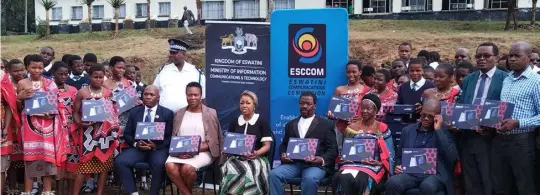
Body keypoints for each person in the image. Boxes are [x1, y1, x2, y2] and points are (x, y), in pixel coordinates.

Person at [458, 42, 506, 195]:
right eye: (478, 56)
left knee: (489, 180)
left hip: (491, 137)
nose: (482, 59)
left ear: (496, 58)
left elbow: (507, 106)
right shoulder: (469, 79)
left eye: (487, 56)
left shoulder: (505, 78)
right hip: (467, 135)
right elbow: (463, 103)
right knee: (471, 180)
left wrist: (493, 125)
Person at [16, 54, 68, 195]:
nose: (37, 70)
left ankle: (47, 191)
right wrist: (20, 98)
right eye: (33, 67)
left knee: (47, 159)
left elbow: (55, 106)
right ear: (27, 67)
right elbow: (18, 109)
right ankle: (27, 191)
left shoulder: (50, 83)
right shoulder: (22, 84)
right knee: (30, 159)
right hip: (29, 128)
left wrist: (48, 114)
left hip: (47, 127)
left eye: (40, 67)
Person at [269, 91, 338, 195]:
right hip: (294, 164)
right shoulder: (290, 125)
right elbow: (284, 145)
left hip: (315, 166)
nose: (304, 106)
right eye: (302, 103)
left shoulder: (326, 124)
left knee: (310, 179)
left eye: (308, 104)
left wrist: (321, 159)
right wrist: (283, 154)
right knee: (273, 174)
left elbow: (333, 149)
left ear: (315, 106)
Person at [385, 99, 458, 195]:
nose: (426, 118)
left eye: (430, 116)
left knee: (427, 186)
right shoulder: (407, 131)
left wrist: (438, 130)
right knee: (392, 182)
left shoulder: (444, 131)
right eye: (424, 115)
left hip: (435, 174)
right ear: (420, 112)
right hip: (411, 173)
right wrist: (398, 166)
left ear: (438, 116)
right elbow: (399, 156)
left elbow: (452, 157)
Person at [494, 41, 539, 195]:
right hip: (500, 140)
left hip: (523, 141)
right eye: (510, 55)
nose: (512, 59)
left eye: (517, 56)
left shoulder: (536, 82)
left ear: (528, 57)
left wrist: (519, 123)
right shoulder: (507, 79)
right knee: (502, 185)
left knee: (525, 185)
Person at [114, 85, 174, 195]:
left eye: (152, 95)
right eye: (146, 94)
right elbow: (127, 134)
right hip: (138, 149)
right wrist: (136, 144)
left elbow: (170, 137)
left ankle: (153, 193)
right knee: (120, 161)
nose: (148, 97)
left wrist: (155, 146)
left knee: (159, 163)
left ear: (158, 97)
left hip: (157, 149)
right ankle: (133, 192)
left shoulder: (167, 113)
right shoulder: (135, 112)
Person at [165, 82, 221, 195]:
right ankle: (187, 193)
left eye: (196, 95)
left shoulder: (210, 113)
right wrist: (180, 151)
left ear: (201, 96)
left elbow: (214, 140)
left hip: (203, 151)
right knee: (169, 166)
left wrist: (194, 150)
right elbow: (174, 137)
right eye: (190, 95)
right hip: (180, 151)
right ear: (186, 95)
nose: (193, 98)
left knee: (187, 168)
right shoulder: (179, 113)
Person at [332, 94, 395, 195]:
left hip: (373, 165)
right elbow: (344, 150)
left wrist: (380, 163)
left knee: (363, 180)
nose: (364, 111)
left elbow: (390, 153)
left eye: (368, 109)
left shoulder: (382, 128)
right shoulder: (352, 128)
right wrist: (345, 158)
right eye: (362, 108)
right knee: (341, 177)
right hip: (351, 163)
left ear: (376, 111)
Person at [72, 64, 120, 195]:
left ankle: (99, 193)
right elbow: (75, 112)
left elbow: (114, 112)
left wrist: (111, 122)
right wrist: (81, 123)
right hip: (87, 133)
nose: (98, 80)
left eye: (100, 77)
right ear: (89, 77)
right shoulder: (82, 92)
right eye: (95, 77)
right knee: (83, 165)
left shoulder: (108, 92)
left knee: (103, 165)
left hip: (105, 134)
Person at [220, 90, 273, 194]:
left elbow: (267, 146)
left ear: (254, 105)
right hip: (237, 158)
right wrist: (227, 151)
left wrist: (256, 153)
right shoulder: (235, 122)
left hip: (257, 158)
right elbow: (229, 144)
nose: (244, 105)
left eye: (248, 103)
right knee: (230, 167)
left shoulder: (261, 122)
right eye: (242, 103)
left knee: (249, 169)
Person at [49, 61, 79, 195]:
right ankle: (60, 192)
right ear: (53, 73)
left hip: (72, 131)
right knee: (59, 162)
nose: (63, 76)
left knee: (72, 161)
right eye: (59, 74)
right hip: (56, 131)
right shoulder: (48, 90)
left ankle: (72, 192)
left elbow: (79, 110)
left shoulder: (73, 90)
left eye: (65, 74)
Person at [154, 38, 205, 113]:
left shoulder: (196, 72)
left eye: (174, 53)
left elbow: (203, 96)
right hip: (165, 117)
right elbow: (155, 91)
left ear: (184, 54)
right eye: (171, 53)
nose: (171, 55)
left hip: (188, 116)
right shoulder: (163, 71)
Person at [328, 61, 371, 133]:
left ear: (360, 72)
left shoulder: (366, 90)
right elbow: (332, 111)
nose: (351, 74)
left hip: (360, 129)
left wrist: (361, 118)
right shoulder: (339, 89)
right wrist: (331, 114)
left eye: (354, 72)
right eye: (348, 72)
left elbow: (371, 111)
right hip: (340, 128)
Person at [5, 59, 26, 195]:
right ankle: (13, 188)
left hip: (28, 125)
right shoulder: (7, 86)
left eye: (21, 70)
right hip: (11, 124)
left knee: (27, 158)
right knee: (13, 160)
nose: (19, 73)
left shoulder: (28, 84)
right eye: (15, 70)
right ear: (8, 71)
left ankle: (29, 187)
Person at [396, 58, 435, 123]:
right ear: (408, 71)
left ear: (423, 71)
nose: (414, 73)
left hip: (424, 123)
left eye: (418, 70)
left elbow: (434, 106)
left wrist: (423, 107)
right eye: (412, 70)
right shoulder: (403, 87)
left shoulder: (431, 86)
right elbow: (399, 104)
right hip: (405, 123)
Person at [1, 69, 20, 195]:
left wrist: (5, 127)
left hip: (1, 125)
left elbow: (9, 104)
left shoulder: (2, 76)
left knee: (0, 168)